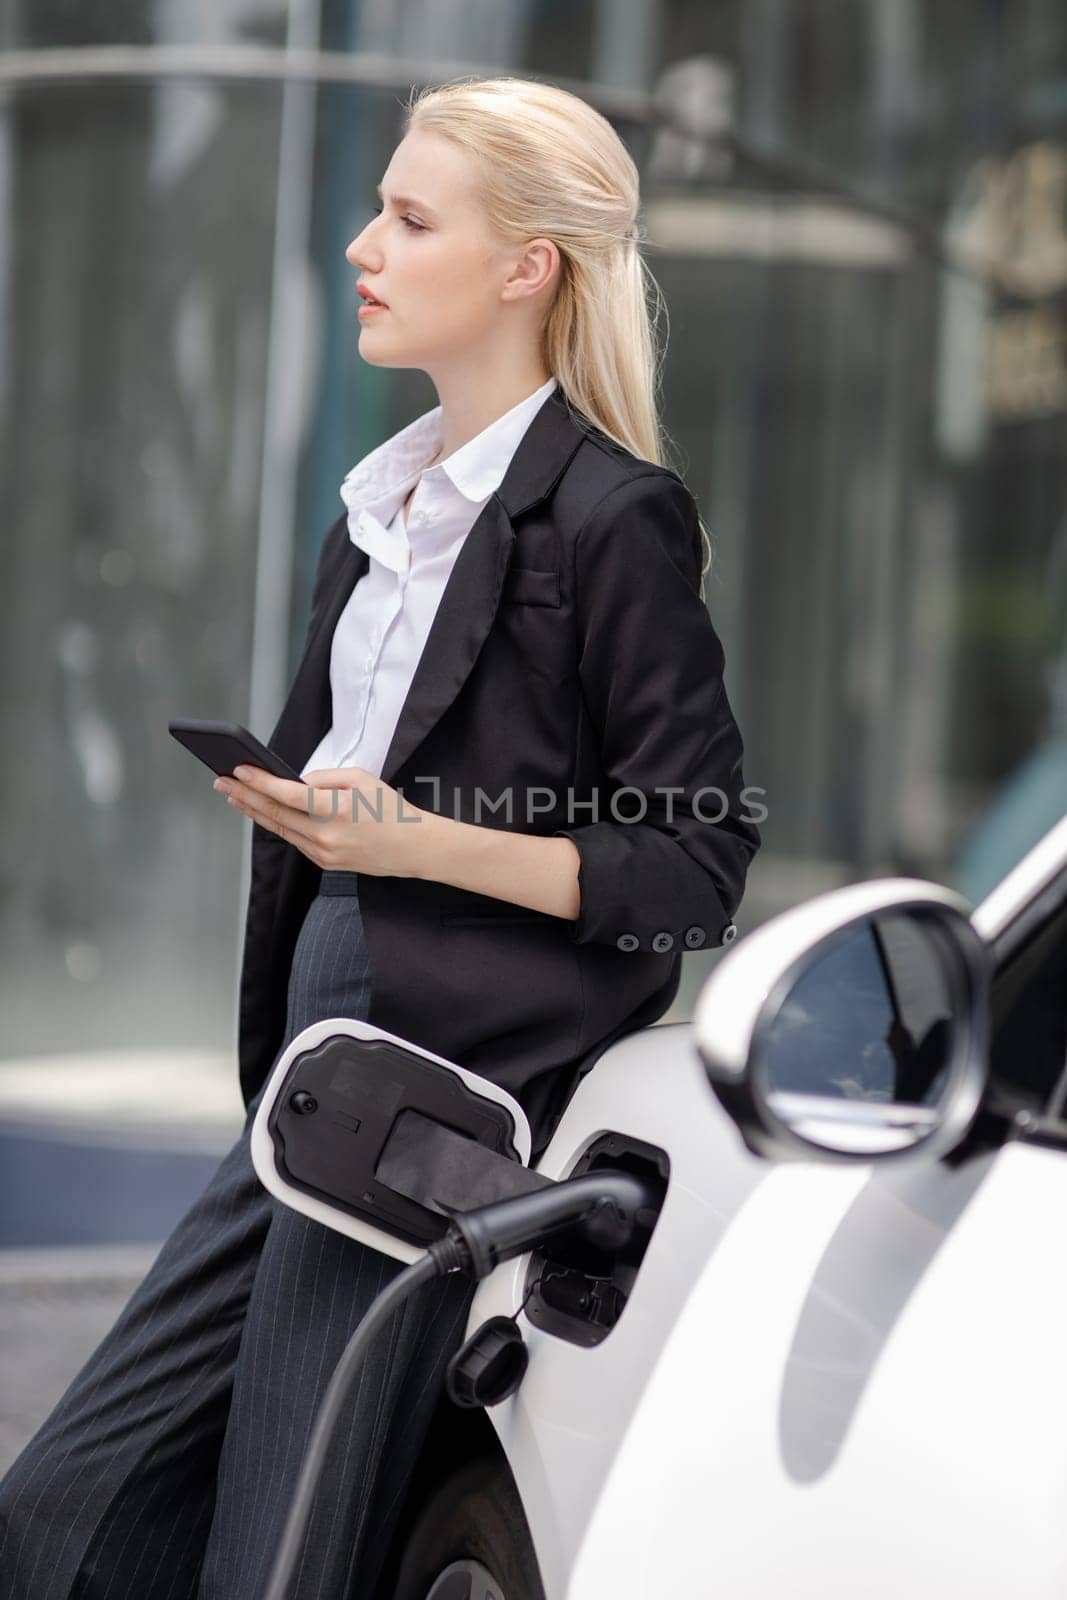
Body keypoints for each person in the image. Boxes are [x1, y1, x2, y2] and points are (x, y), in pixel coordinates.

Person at [0, 73, 762, 1599]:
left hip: (430, 1095)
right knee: (68, 1502)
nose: (364, 244)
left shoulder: (614, 520)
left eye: (410, 219)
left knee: (278, 1552)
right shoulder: (380, 510)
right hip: (315, 1060)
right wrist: (307, 813)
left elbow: (695, 862)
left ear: (524, 266)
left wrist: (415, 844)